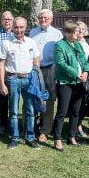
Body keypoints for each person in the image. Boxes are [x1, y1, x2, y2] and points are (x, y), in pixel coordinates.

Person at [0, 17, 40, 149]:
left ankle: (30, 137)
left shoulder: (31, 42)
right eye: (16, 27)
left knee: (30, 110)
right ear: (13, 27)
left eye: (21, 27)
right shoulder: (6, 43)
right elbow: (1, 64)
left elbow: (36, 61)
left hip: (28, 79)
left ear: (25, 27)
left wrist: (36, 79)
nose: (19, 30)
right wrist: (2, 83)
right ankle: (15, 137)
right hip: (13, 79)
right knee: (14, 111)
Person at [53, 20, 89, 151]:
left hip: (79, 83)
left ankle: (72, 136)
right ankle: (57, 139)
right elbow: (61, 64)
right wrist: (76, 74)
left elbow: (85, 61)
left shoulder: (78, 45)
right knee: (62, 112)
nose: (78, 33)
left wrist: (86, 71)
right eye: (75, 31)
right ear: (67, 32)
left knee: (76, 111)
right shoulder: (59, 45)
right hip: (66, 82)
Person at [28, 9, 63, 143]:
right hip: (34, 69)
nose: (43, 20)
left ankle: (45, 130)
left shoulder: (57, 34)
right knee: (33, 97)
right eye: (41, 17)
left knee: (48, 99)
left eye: (46, 18)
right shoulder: (33, 32)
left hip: (50, 68)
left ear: (51, 19)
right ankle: (31, 127)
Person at [75, 21, 89, 138]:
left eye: (83, 28)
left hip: (88, 77)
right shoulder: (71, 43)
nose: (81, 30)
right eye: (78, 28)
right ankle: (75, 126)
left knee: (84, 103)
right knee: (75, 103)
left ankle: (79, 125)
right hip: (76, 76)